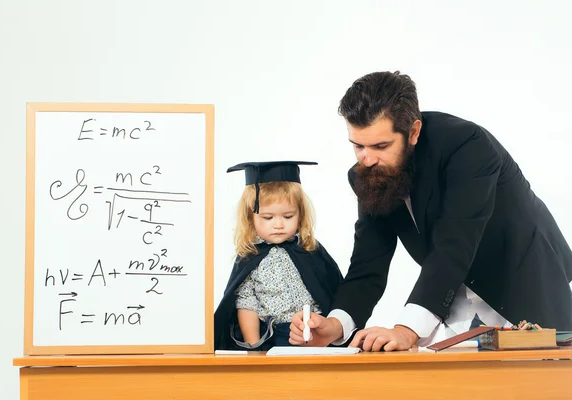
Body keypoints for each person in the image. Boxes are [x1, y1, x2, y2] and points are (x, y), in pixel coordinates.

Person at [289, 71, 572, 352]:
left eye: (381, 145)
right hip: (452, 299)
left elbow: (455, 242)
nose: (368, 159)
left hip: (525, 283)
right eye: (358, 146)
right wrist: (336, 325)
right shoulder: (368, 173)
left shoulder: (468, 145)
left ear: (413, 132)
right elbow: (368, 261)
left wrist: (406, 329)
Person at [214, 161, 343, 350]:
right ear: (250, 218)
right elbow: (247, 305)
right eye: (268, 218)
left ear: (301, 215)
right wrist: (253, 347)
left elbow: (329, 292)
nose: (278, 225)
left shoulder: (310, 250)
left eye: (288, 216)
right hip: (271, 339)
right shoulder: (250, 257)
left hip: (311, 337)